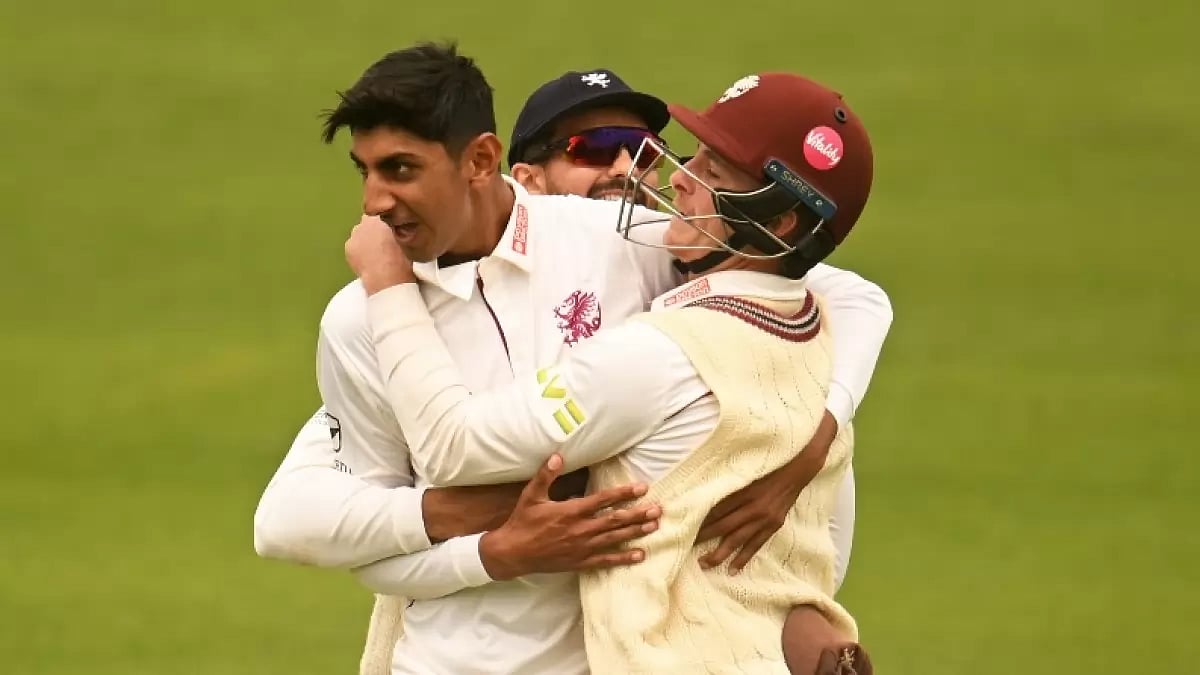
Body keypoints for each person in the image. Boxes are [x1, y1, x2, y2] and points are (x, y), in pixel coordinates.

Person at [253, 44, 889, 675]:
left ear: (480, 159)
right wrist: (493, 549)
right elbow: (365, 550)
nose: (373, 202)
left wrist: (818, 438)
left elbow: (840, 295)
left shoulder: (620, 241)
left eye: (399, 170)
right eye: (363, 171)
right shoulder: (360, 318)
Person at [504, 68, 885, 587]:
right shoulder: (493, 285)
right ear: (526, 183)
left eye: (643, 149)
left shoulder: (686, 259)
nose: (625, 168)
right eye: (592, 148)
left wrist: (813, 447)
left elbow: (865, 300)